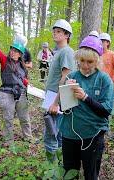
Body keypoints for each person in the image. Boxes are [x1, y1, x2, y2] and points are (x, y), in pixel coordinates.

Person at [60, 35, 114, 179]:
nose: (85, 65)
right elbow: (64, 108)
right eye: (82, 61)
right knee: (69, 173)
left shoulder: (104, 79)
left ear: (97, 60)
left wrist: (85, 97)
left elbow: (106, 111)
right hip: (69, 134)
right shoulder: (72, 76)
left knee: (91, 174)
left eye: (90, 62)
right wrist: (67, 92)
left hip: (93, 135)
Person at [0, 27, 32, 146]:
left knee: (24, 118)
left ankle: (28, 138)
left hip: (20, 93)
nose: (12, 52)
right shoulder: (5, 60)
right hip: (6, 93)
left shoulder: (22, 66)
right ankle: (9, 142)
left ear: (20, 54)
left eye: (16, 51)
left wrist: (28, 84)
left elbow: (23, 79)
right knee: (8, 118)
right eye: (12, 50)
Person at [44, 19, 77, 162]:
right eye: (54, 31)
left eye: (59, 32)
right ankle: (60, 167)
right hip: (52, 97)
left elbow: (65, 78)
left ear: (66, 35)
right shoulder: (58, 52)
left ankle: (52, 170)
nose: (55, 34)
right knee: (57, 134)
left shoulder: (67, 52)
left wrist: (56, 103)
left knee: (51, 135)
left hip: (58, 100)